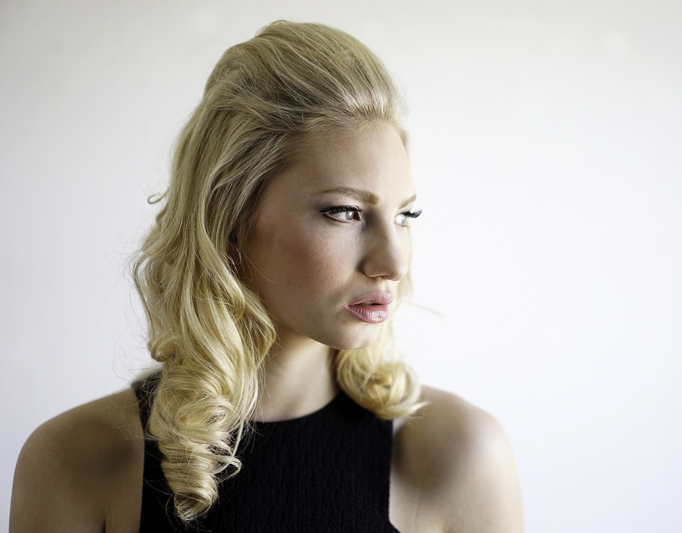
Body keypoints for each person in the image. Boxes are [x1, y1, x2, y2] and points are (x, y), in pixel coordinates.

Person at [10, 21, 523, 532]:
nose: (393, 263)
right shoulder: (73, 463)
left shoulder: (459, 456)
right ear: (230, 223)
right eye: (345, 212)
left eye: (405, 216)